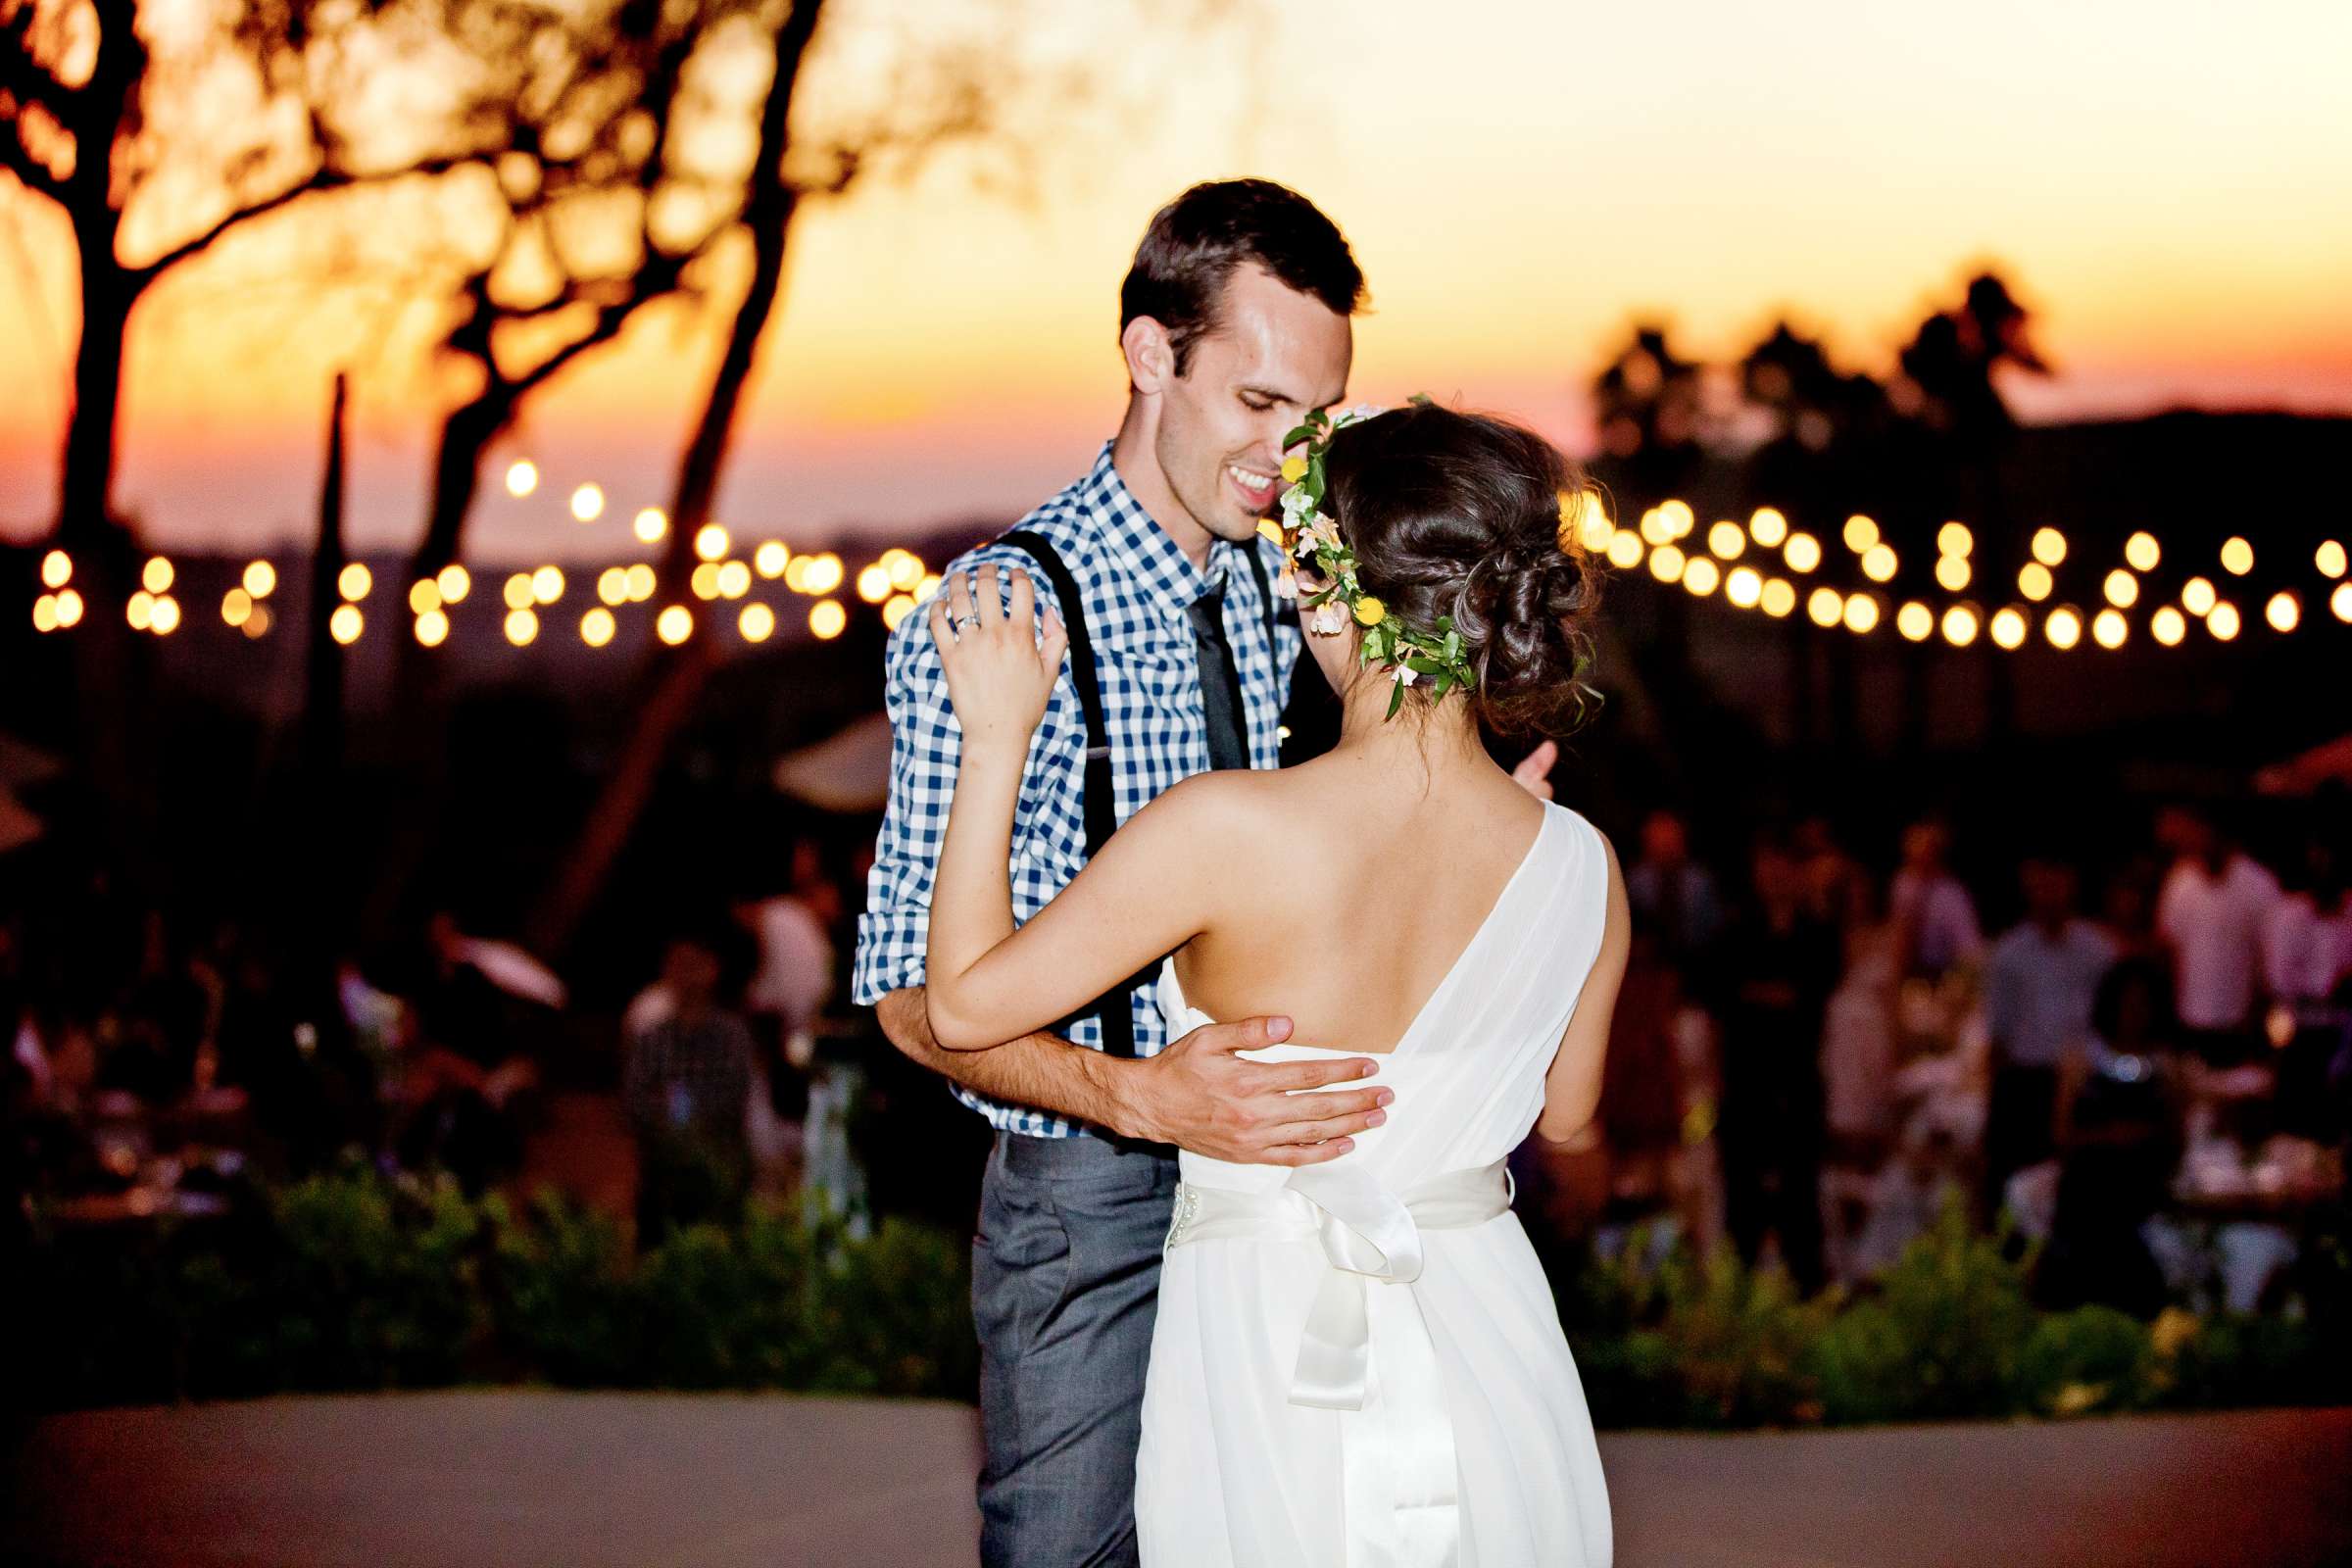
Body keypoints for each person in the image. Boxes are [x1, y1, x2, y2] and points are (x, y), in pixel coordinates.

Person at [858, 181, 1543, 1565]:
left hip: (1305, 1191)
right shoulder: (999, 614)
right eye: (1257, 404)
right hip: (1090, 1190)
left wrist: (1471, 826)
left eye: (1318, 420)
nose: (1289, 458)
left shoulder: (1296, 574)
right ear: (1151, 353)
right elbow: (906, 1003)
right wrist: (1146, 1100)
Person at [919, 401, 1626, 1566]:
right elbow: (1569, 1115)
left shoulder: (1226, 828)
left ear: (1331, 590)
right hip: (1494, 1350)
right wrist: (1518, 861)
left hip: (1268, 1356)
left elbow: (961, 1005)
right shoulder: (1582, 866)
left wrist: (995, 742)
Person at [1710, 828, 1842, 1297]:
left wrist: (1767, 997)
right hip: (1746, 1079)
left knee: (1800, 1197)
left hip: (1798, 1078)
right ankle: (1737, 1298)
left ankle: (1807, 1296)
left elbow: (1814, 997)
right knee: (1742, 1198)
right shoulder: (1734, 929)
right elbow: (1723, 1002)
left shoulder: (1818, 931)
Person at [1980, 855, 2117, 1221]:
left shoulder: (2097, 951)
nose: (2050, 894)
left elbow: (2110, 1023)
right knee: (2015, 1195)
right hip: (2027, 1084)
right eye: (2041, 884)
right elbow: (1998, 1036)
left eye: (2057, 882)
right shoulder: (2010, 953)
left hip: (2082, 1082)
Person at [623, 933, 758, 1236]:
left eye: (693, 965)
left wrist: (691, 1121)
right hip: (662, 1178)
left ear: (713, 970)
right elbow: (634, 1101)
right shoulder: (651, 1039)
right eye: (677, 966)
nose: (686, 976)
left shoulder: (732, 1037)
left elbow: (732, 1096)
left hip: (719, 1174)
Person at [2153, 805, 2283, 1066]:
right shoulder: (2180, 882)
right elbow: (2169, 949)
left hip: (2240, 1022)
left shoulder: (2259, 885)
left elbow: (2268, 958)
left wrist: (2257, 1014)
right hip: (2188, 1019)